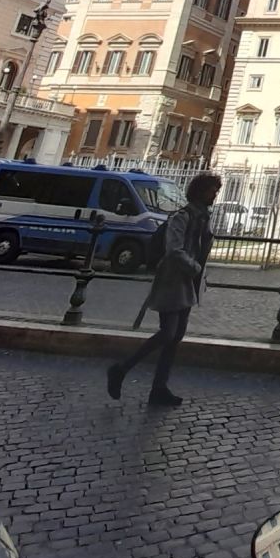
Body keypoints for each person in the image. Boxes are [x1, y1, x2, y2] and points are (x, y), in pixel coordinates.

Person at [106, 172, 220, 406]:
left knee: (175, 337)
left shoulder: (203, 218)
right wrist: (195, 268)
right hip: (173, 280)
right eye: (212, 190)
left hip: (189, 282)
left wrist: (198, 273)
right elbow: (174, 250)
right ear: (200, 192)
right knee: (168, 333)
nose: (215, 195)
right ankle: (121, 368)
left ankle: (159, 387)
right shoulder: (182, 217)